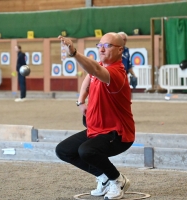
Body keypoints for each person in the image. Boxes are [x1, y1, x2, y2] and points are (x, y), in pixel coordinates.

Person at [56, 33, 135, 200]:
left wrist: (74, 53)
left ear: (120, 49)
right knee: (63, 150)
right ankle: (104, 178)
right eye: (100, 45)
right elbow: (89, 76)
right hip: (96, 130)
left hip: (118, 134)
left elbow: (95, 70)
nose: (102, 48)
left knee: (86, 150)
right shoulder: (99, 66)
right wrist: (80, 101)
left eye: (107, 45)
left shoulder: (116, 73)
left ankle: (117, 180)